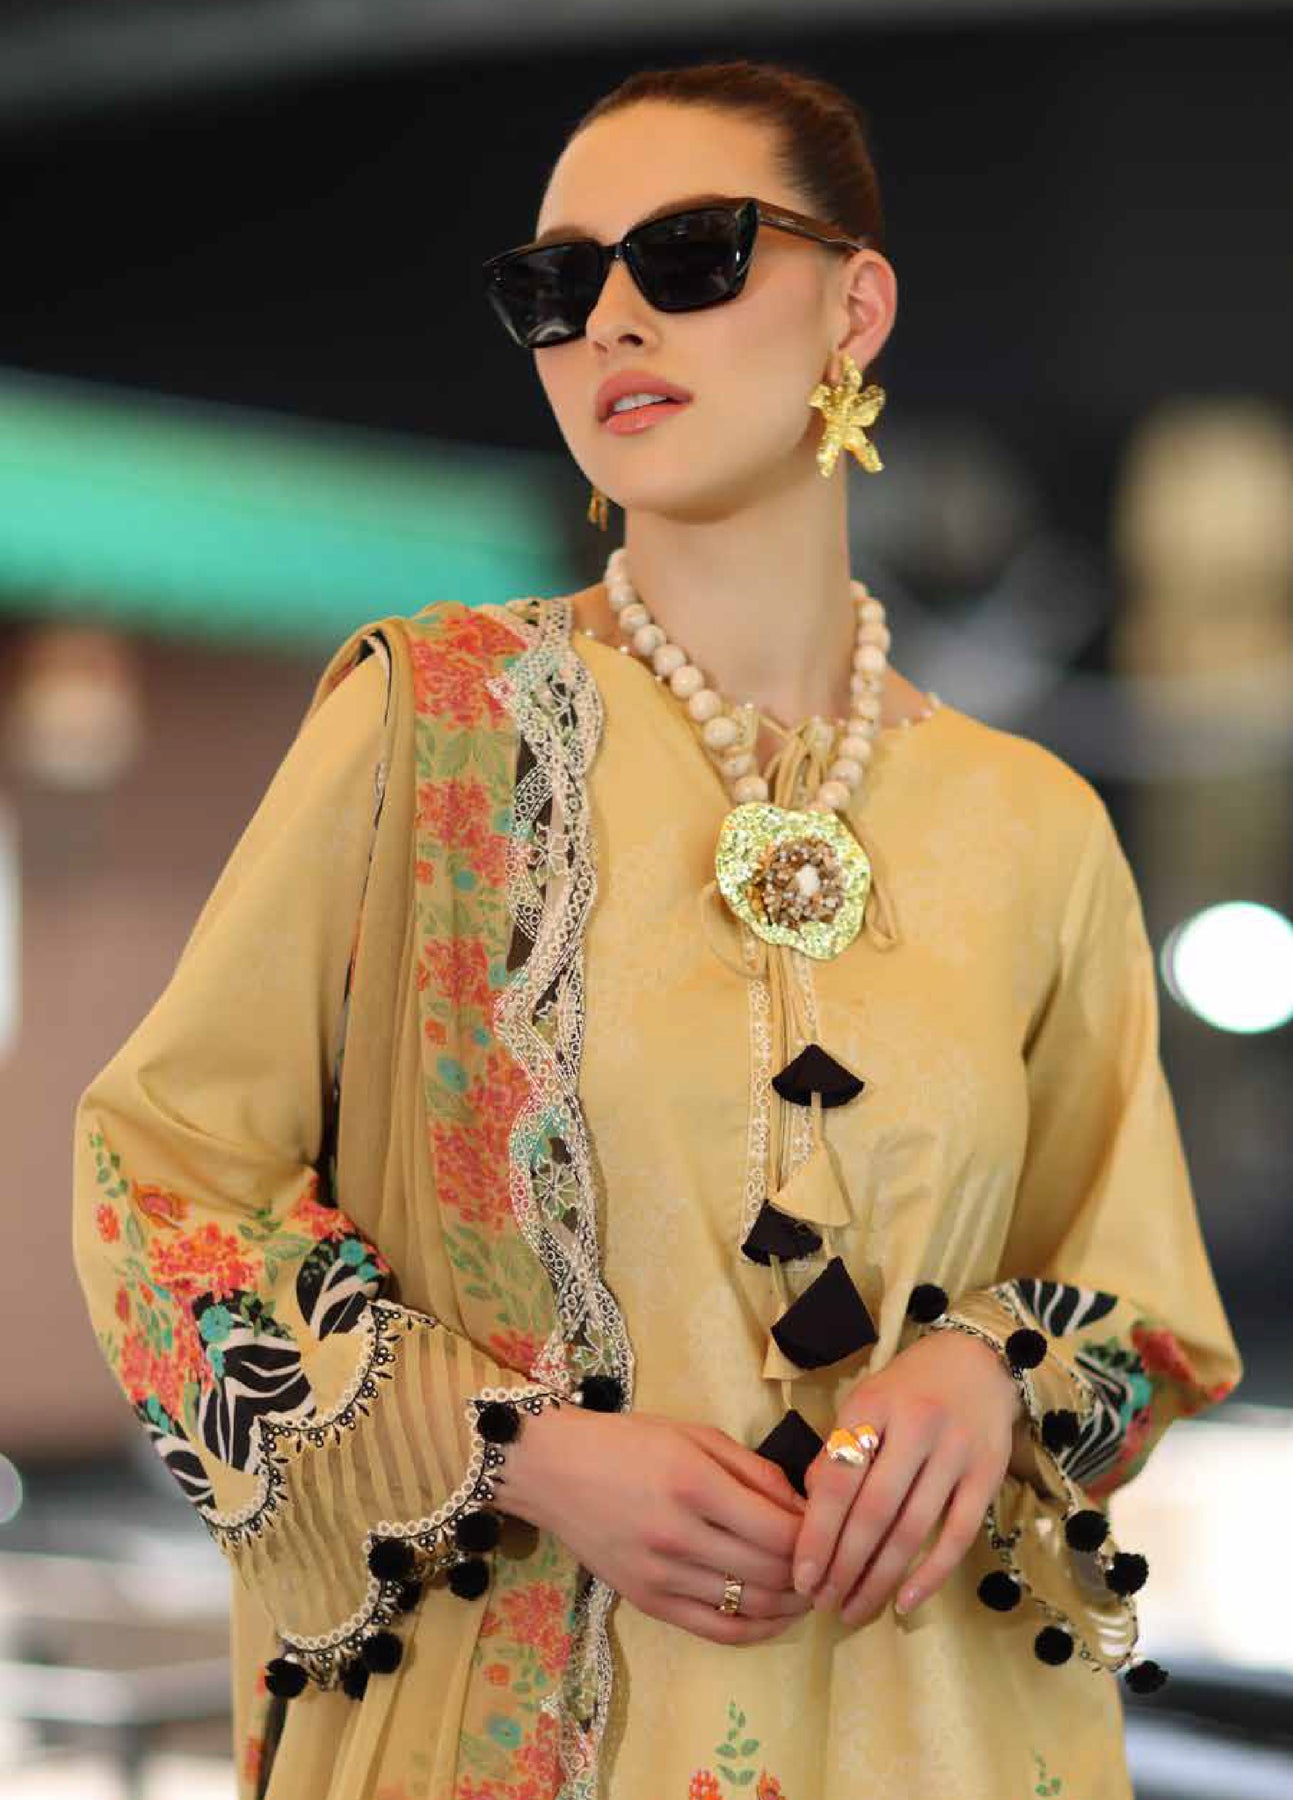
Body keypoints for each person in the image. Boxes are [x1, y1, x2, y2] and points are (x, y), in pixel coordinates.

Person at [72, 57, 1243, 1800]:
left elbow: (1142, 1315)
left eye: (690, 255)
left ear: (854, 306)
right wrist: (519, 1452)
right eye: (554, 287)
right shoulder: (428, 727)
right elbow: (161, 1190)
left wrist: (983, 1375)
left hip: (938, 1730)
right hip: (517, 1724)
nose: (610, 319)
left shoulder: (1032, 825)